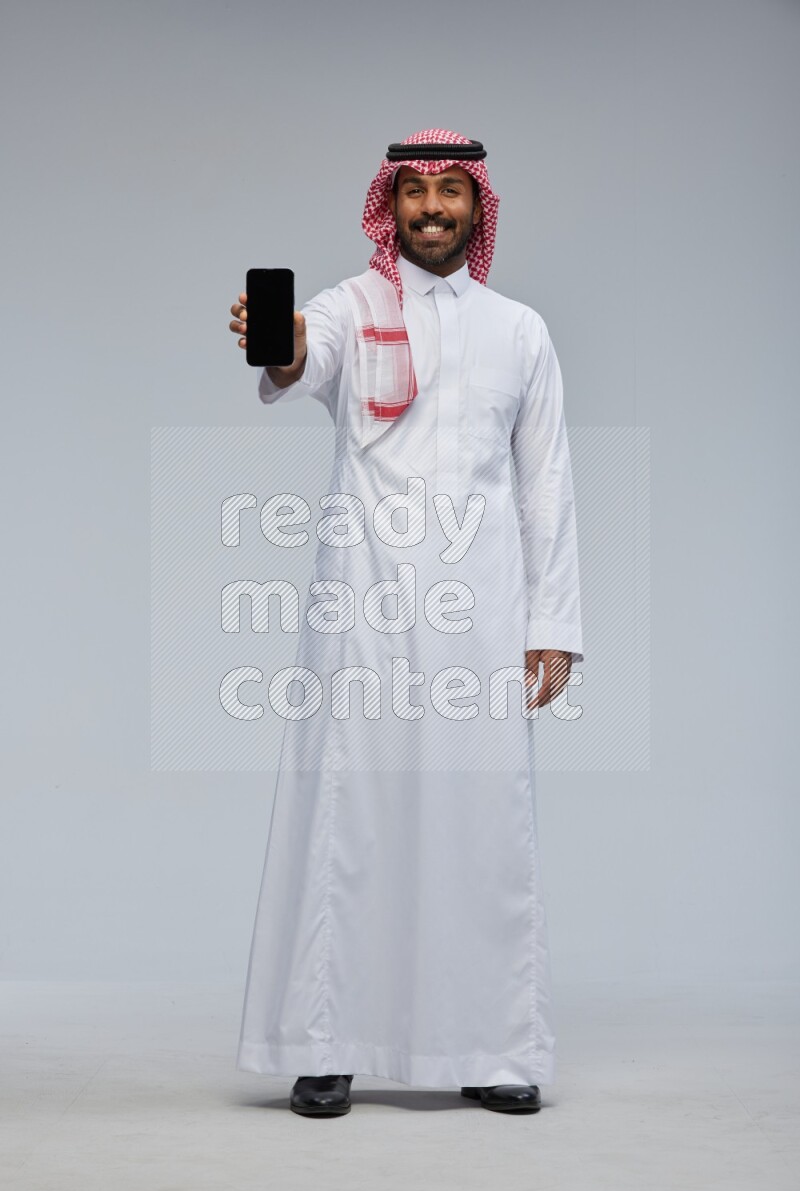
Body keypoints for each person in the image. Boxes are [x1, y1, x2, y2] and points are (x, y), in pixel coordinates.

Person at [228, 129, 584, 1118]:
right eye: (414, 193)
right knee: (351, 817)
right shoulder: (351, 305)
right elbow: (303, 355)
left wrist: (549, 624)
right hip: (366, 610)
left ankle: (494, 1044)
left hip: (480, 610)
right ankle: (326, 1040)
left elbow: (545, 486)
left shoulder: (520, 330)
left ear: (477, 208)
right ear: (391, 207)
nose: (431, 208)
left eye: (449, 193)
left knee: (481, 824)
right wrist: (284, 340)